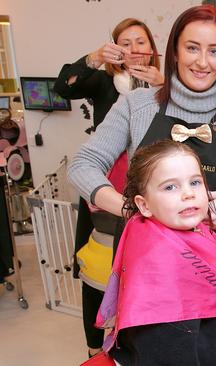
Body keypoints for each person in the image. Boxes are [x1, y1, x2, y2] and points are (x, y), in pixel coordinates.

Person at [67, 4, 216, 237]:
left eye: (214, 51)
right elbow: (83, 165)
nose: (203, 62)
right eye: (192, 48)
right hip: (143, 257)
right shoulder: (136, 106)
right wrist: (130, 210)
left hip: (210, 260)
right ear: (175, 52)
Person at [96, 140, 216, 365]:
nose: (188, 194)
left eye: (195, 182)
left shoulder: (169, 230)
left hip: (196, 335)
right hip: (176, 355)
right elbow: (168, 355)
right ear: (144, 205)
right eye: (171, 187)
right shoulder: (159, 265)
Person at [53, 18, 163, 358]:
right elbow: (63, 86)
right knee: (100, 263)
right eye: (125, 43)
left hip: (152, 182)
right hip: (107, 185)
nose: (133, 49)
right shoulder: (103, 82)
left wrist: (166, 84)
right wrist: (94, 58)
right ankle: (95, 346)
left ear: (152, 48)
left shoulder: (166, 85)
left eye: (140, 41)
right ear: (115, 49)